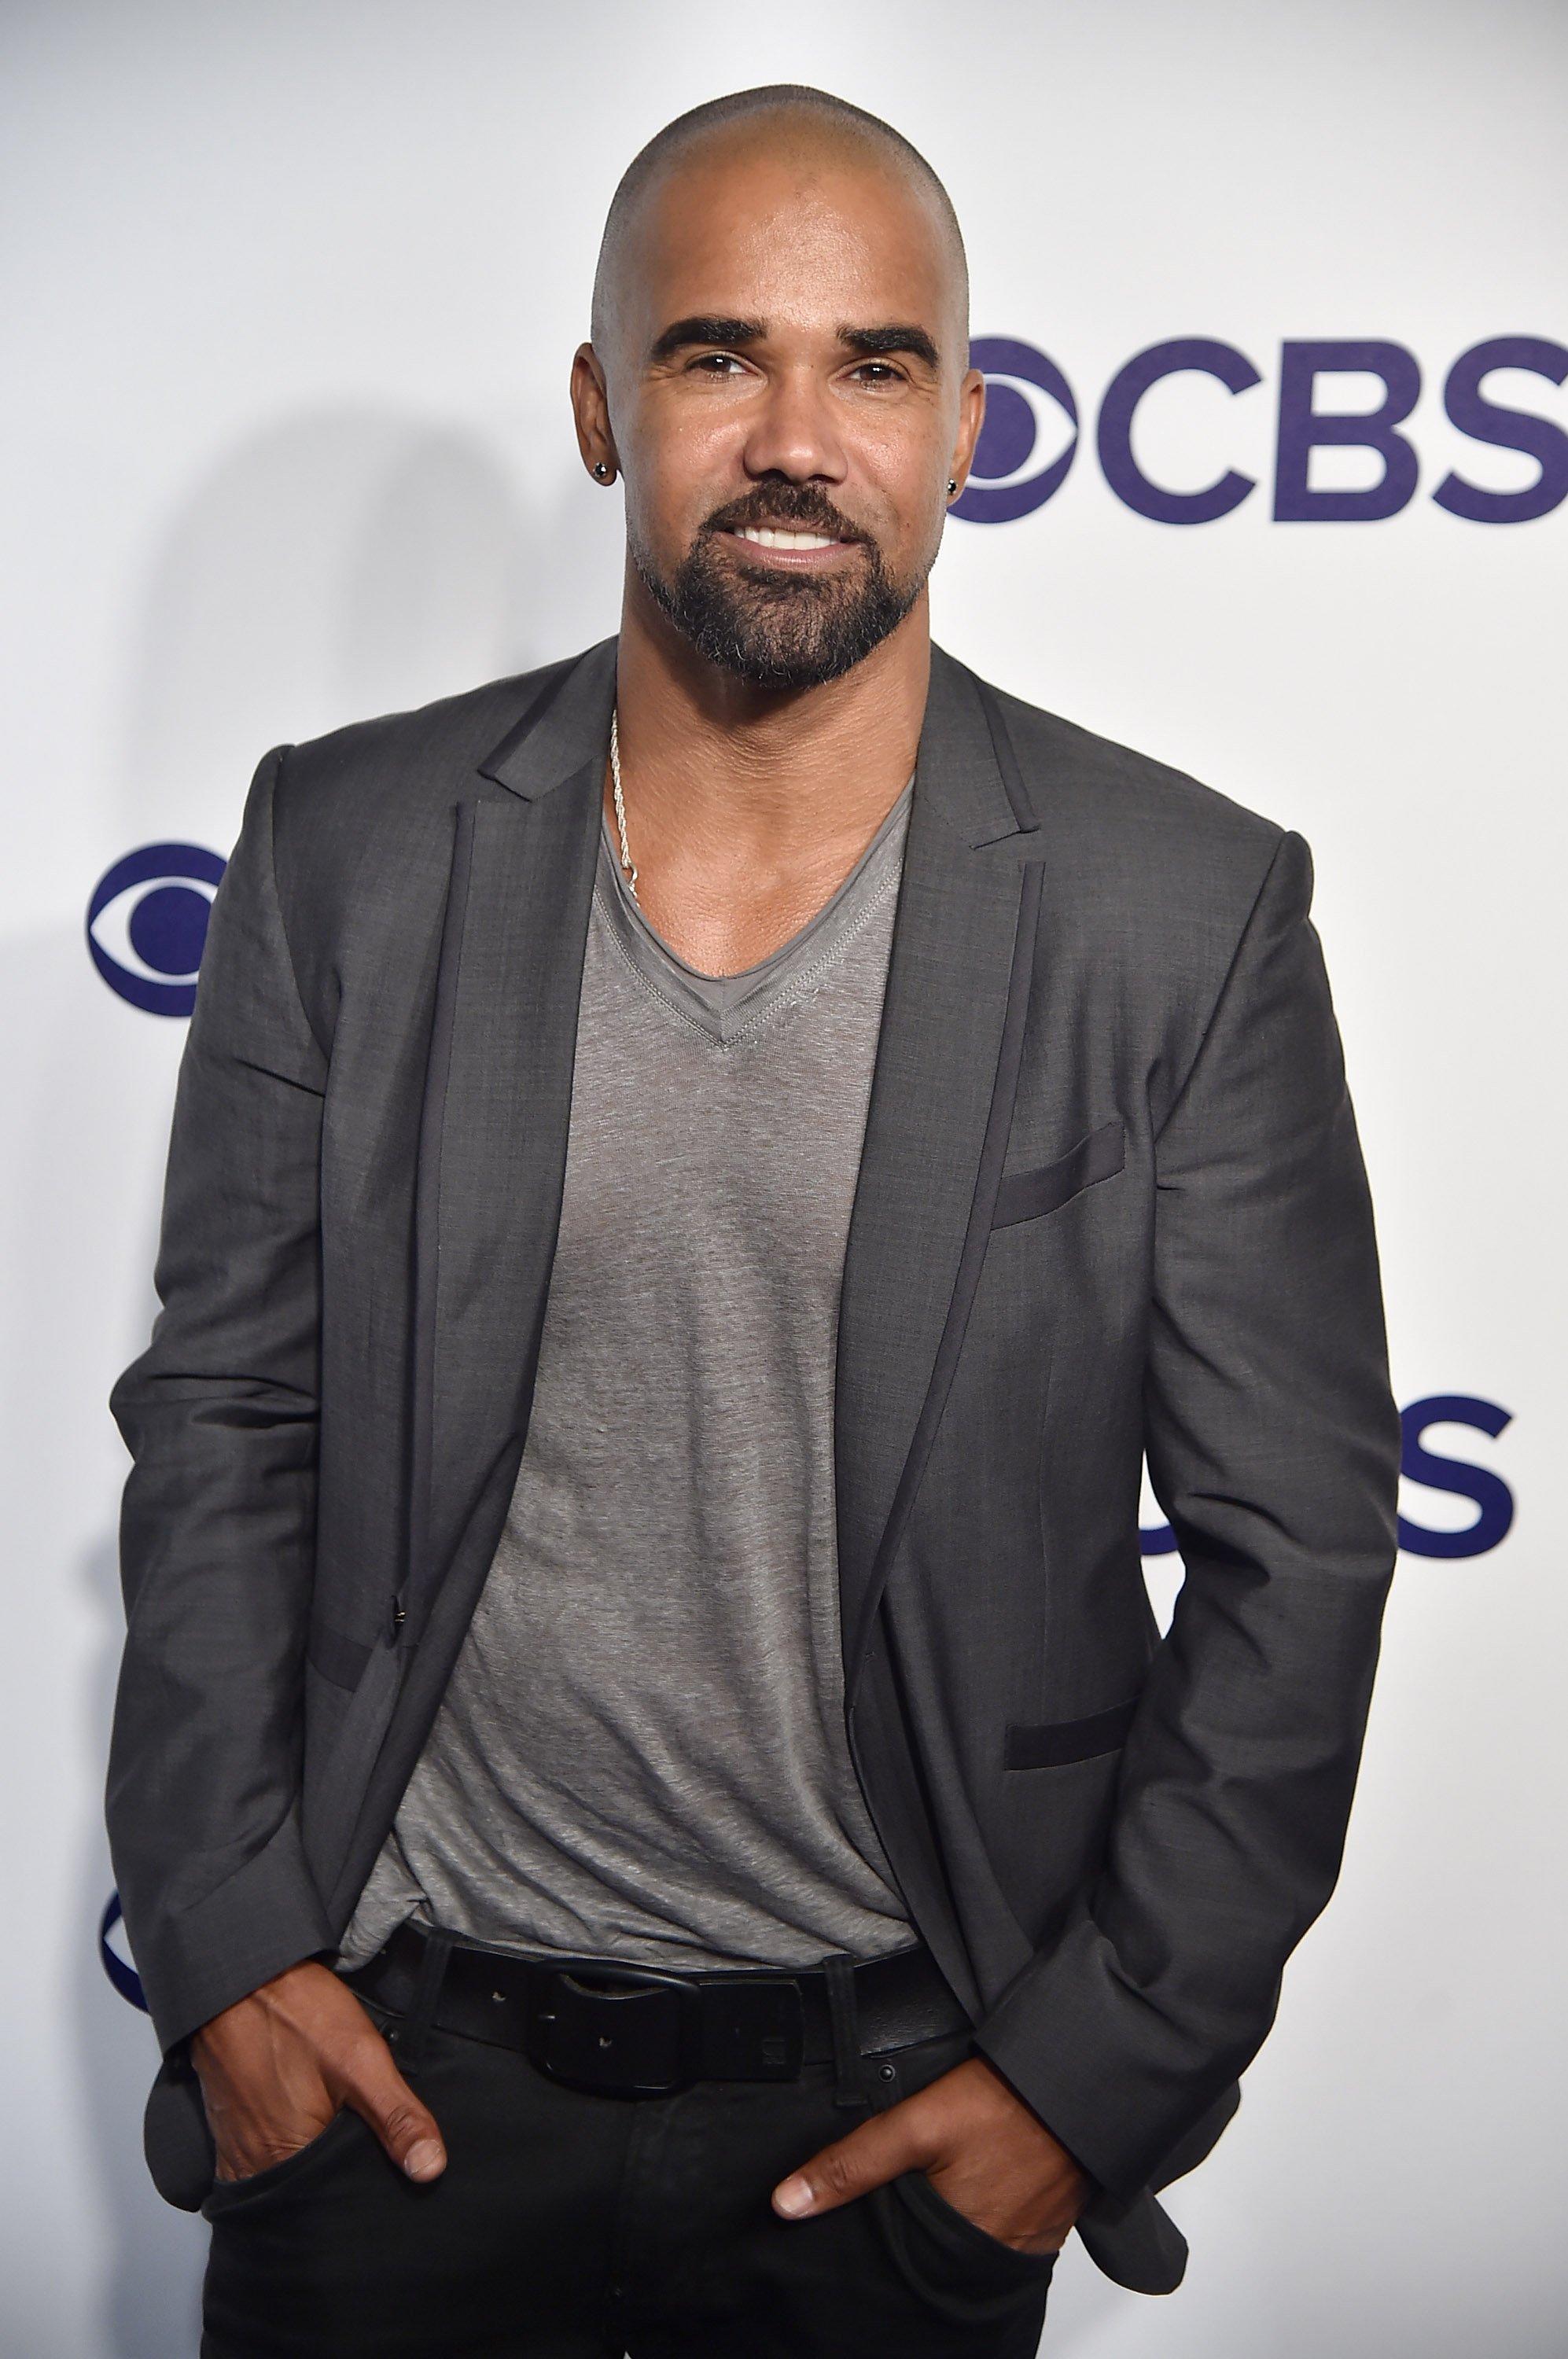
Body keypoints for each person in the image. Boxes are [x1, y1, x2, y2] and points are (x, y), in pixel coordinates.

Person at [107, 83, 1400, 2359]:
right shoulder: (348, 845)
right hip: (392, 2089)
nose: (797, 434)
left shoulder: (1173, 912)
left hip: (902, 2109)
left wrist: (1074, 2086)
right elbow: (228, 1415)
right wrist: (226, 1951)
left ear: (967, 420)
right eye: (717, 355)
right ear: (604, 408)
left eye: (872, 363)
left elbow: (1299, 1546)